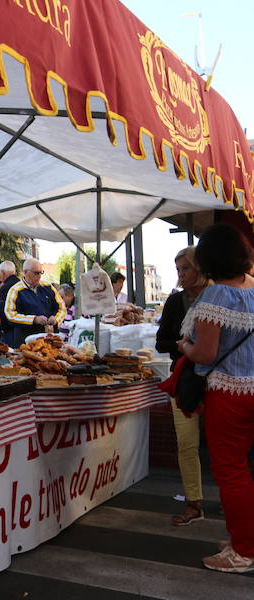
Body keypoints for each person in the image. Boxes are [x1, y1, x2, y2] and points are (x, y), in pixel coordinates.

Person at [177, 224, 254, 573]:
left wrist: (184, 346)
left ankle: (244, 550)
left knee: (231, 472)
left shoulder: (216, 296)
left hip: (229, 392)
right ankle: (244, 537)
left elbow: (205, 354)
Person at [156, 246, 209, 527]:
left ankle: (234, 501)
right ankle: (194, 503)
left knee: (226, 447)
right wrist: (184, 346)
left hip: (219, 380)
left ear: (200, 267)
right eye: (178, 269)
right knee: (187, 443)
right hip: (185, 378)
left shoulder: (220, 295)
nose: (181, 275)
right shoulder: (176, 302)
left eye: (185, 268)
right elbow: (161, 341)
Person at [3, 257, 66, 347]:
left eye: (41, 272)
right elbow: (10, 315)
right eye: (36, 273)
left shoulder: (48, 287)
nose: (40, 276)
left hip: (48, 339)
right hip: (25, 341)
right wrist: (34, 320)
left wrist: (56, 319)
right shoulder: (15, 290)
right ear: (25, 272)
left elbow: (62, 308)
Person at [0, 260, 19, 346]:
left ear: (3, 273)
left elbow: (3, 310)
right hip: (21, 326)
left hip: (9, 329)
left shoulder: (5, 288)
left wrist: (3, 327)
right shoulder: (20, 285)